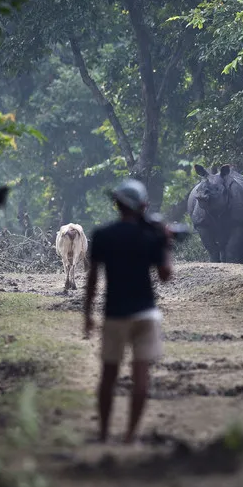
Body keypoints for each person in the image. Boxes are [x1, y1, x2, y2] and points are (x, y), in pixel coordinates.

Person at [83, 178, 174, 444]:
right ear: (143, 206)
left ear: (117, 205)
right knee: (141, 375)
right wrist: (166, 243)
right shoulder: (151, 236)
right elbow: (165, 275)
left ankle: (103, 434)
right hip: (146, 313)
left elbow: (92, 280)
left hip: (115, 314)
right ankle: (130, 435)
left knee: (108, 375)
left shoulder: (102, 235)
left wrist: (87, 314)